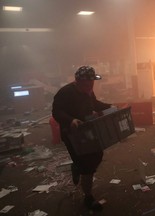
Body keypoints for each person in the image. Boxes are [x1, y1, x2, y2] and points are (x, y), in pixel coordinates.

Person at [52, 65, 112, 212]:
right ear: (77, 81)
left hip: (87, 129)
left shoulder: (88, 91)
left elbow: (95, 104)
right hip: (71, 133)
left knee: (98, 154)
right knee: (86, 164)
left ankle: (77, 167)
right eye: (87, 84)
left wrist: (111, 107)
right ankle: (88, 198)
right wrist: (70, 120)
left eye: (92, 83)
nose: (90, 87)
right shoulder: (65, 93)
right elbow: (56, 112)